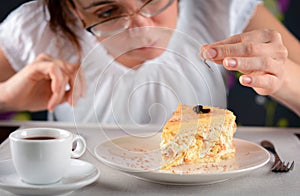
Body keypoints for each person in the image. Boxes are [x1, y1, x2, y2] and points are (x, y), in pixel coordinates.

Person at [0, 0, 299, 124]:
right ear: (73, 9)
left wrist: (281, 77)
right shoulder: (36, 27)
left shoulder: (220, 6)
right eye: (107, 13)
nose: (142, 28)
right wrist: (7, 96)